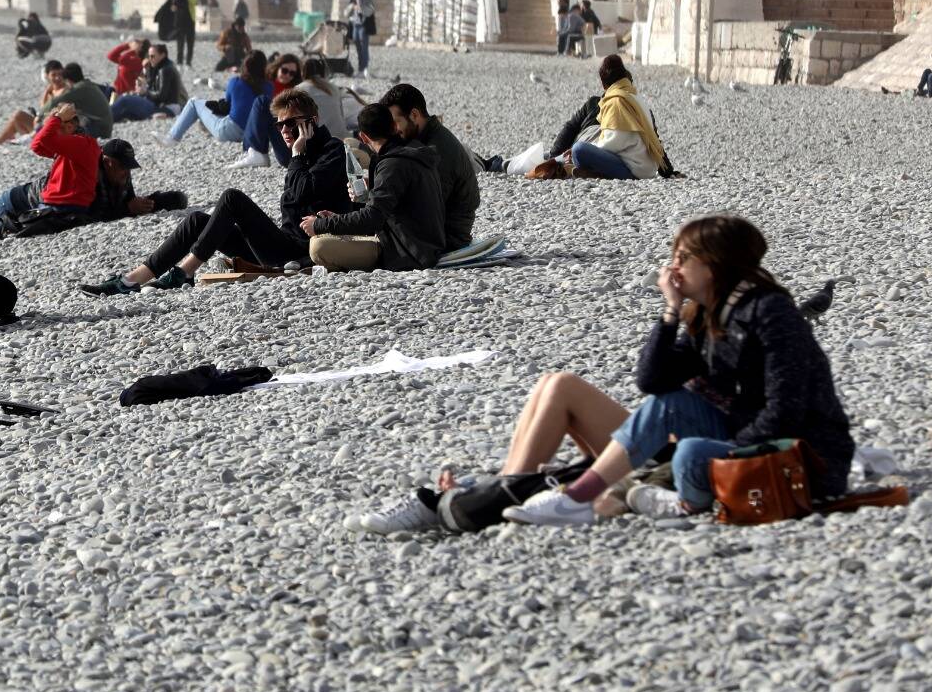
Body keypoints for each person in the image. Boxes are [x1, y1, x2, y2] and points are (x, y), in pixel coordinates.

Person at [365, 216, 853, 533]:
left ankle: (492, 495)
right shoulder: (710, 314)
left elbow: (785, 409)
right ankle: (499, 487)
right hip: (697, 433)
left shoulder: (769, 315)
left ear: (717, 265)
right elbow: (651, 378)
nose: (672, 266)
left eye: (684, 258)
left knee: (607, 400)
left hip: (752, 448)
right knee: (556, 384)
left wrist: (713, 446)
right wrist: (670, 313)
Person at [82, 90, 355, 294]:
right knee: (197, 220)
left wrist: (296, 155)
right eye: (280, 124)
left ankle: (185, 272)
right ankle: (133, 279)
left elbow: (301, 193)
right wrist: (298, 154)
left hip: (298, 251)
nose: (284, 130)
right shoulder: (304, 152)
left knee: (232, 198)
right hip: (281, 243)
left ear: (313, 121)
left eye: (291, 123)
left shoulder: (331, 151)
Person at [300, 103, 447, 271]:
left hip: (407, 252)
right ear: (394, 126)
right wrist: (335, 219)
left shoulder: (392, 164)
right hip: (422, 244)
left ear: (363, 137)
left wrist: (321, 224)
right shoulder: (413, 151)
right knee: (327, 236)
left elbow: (372, 219)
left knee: (318, 246)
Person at [377, 83, 479, 251]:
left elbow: (427, 207)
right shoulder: (424, 140)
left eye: (396, 123)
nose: (393, 131)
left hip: (442, 239)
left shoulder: (437, 150)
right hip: (431, 233)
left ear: (414, 115)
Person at [0, 103, 98, 238]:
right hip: (22, 201)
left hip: (53, 207)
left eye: (53, 127)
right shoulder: (74, 146)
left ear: (69, 127)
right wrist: (57, 119)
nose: (51, 130)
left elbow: (42, 139)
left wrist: (57, 117)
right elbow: (37, 145)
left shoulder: (79, 144)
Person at [570, 54, 666, 180]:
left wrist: (592, 146)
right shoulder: (635, 98)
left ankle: (597, 173)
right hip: (647, 167)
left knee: (578, 149)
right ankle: (595, 173)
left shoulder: (616, 101)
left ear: (604, 85)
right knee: (583, 148)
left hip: (633, 170)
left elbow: (614, 143)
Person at [165, 49, 270, 148]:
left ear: (245, 66)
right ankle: (205, 127)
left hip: (230, 132)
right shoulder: (269, 86)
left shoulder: (236, 82)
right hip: (255, 134)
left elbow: (227, 106)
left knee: (194, 102)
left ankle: (172, 137)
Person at [0, 61, 67, 150]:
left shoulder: (64, 91)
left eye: (60, 74)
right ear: (47, 76)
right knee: (16, 116)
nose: (57, 78)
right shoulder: (51, 90)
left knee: (18, 116)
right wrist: (47, 91)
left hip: (54, 131)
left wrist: (47, 92)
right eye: (54, 75)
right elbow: (42, 107)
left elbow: (46, 110)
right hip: (42, 127)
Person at [110, 42, 187, 123]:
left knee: (125, 100)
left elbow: (162, 96)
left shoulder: (165, 70)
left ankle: (105, 117)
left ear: (162, 55)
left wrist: (145, 92)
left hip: (166, 108)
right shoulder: (158, 68)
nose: (150, 59)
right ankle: (106, 121)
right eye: (149, 56)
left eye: (152, 56)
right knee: (126, 112)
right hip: (160, 106)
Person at [44, 61, 113, 140]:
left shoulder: (78, 89)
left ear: (68, 80)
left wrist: (39, 115)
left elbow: (55, 102)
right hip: (104, 126)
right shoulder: (86, 84)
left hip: (100, 129)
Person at [155, 0, 200, 66]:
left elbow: (193, 1)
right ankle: (179, 62)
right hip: (181, 22)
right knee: (181, 43)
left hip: (191, 20)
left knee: (190, 42)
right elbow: (174, 3)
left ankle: (188, 61)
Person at [346, 0, 376, 77]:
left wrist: (361, 6)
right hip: (355, 26)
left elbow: (370, 11)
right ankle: (360, 68)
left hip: (363, 26)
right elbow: (347, 13)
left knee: (364, 48)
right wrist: (353, 7)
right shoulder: (352, 2)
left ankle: (365, 68)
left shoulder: (366, 1)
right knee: (358, 48)